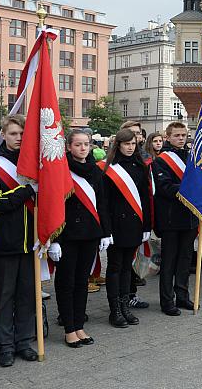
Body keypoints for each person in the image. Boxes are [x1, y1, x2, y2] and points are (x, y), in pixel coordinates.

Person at [0, 115, 38, 366]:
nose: (18, 138)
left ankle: (24, 342)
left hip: (31, 242)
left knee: (27, 295)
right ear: (4, 135)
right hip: (5, 243)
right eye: (13, 133)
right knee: (4, 297)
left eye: (22, 134)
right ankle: (5, 346)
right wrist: (27, 189)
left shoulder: (36, 165)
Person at [55, 129, 107, 347]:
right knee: (66, 281)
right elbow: (54, 204)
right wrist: (53, 238)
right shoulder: (60, 170)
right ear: (68, 147)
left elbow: (103, 204)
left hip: (90, 234)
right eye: (78, 144)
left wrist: (105, 232)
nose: (83, 148)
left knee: (81, 281)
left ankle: (79, 325)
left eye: (86, 144)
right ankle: (69, 328)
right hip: (67, 234)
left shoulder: (95, 171)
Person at [102, 128, 151, 328]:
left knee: (126, 268)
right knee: (114, 268)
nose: (130, 148)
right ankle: (115, 310)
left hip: (134, 224)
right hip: (115, 225)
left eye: (133, 144)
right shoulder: (108, 169)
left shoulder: (140, 166)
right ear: (118, 145)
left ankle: (125, 307)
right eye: (126, 144)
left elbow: (145, 199)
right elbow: (103, 203)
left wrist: (147, 224)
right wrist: (106, 230)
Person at [153, 122, 198, 315]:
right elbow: (164, 187)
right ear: (168, 137)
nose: (181, 138)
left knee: (185, 259)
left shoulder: (191, 157)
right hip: (171, 217)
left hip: (190, 216)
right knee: (169, 260)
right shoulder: (161, 161)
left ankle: (182, 295)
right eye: (177, 135)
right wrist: (188, 189)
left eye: (183, 135)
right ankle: (166, 300)